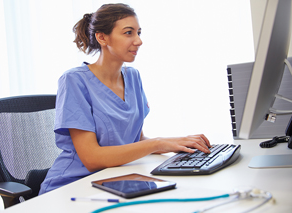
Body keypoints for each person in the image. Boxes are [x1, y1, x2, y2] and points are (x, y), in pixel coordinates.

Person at [39, 3, 211, 195]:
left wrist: (175, 144)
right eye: (129, 33)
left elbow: (137, 139)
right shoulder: (74, 80)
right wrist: (158, 143)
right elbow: (92, 158)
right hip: (73, 186)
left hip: (118, 179)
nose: (138, 41)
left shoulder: (133, 77)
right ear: (102, 37)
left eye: (139, 32)